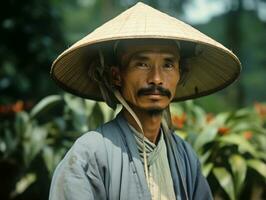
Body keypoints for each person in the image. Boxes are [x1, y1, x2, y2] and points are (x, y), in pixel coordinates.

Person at [49, 2, 241, 200]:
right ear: (116, 75)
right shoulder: (89, 154)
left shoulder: (184, 156)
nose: (156, 78)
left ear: (180, 74)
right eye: (141, 64)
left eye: (168, 65)